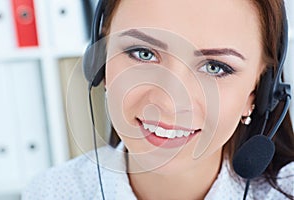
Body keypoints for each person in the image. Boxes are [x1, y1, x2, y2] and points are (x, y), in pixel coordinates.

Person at [23, 0, 294, 199]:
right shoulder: (50, 192)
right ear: (101, 61)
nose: (168, 102)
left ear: (259, 92)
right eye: (143, 53)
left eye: (214, 67)